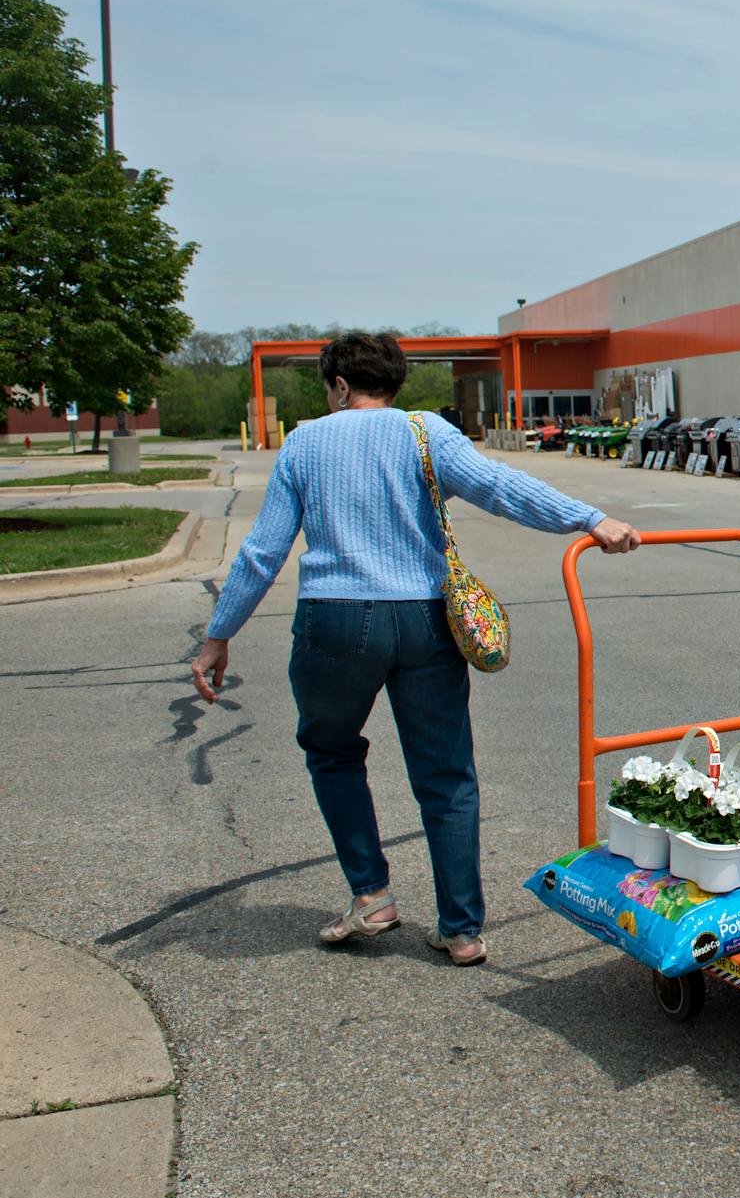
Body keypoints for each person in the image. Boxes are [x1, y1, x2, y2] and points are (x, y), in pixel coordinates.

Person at [190, 332, 641, 967]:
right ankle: (461, 929)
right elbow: (499, 487)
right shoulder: (425, 431)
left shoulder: (304, 443)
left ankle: (371, 896)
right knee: (447, 774)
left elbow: (264, 552)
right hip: (427, 620)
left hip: (335, 623)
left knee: (332, 751)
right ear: (394, 384)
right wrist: (589, 518)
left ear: (340, 385)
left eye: (329, 386)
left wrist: (219, 634)